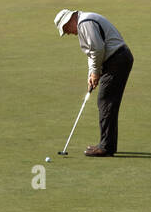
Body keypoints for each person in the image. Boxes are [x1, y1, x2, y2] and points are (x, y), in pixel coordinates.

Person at [54, 9, 133, 157]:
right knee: (106, 102)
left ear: (69, 20)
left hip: (117, 60)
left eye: (66, 29)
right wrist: (92, 73)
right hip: (116, 60)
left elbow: (97, 49)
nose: (68, 33)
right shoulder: (84, 22)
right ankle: (107, 144)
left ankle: (106, 147)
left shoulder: (84, 23)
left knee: (106, 102)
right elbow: (92, 52)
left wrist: (96, 71)